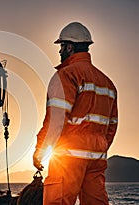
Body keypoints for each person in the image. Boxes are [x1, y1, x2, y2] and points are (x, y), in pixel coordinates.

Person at [33, 22, 118, 205]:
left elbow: (56, 120)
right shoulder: (108, 83)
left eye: (62, 47)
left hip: (68, 157)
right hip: (96, 158)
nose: (60, 52)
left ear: (70, 47)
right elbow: (111, 127)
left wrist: (40, 150)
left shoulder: (66, 75)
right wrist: (98, 147)